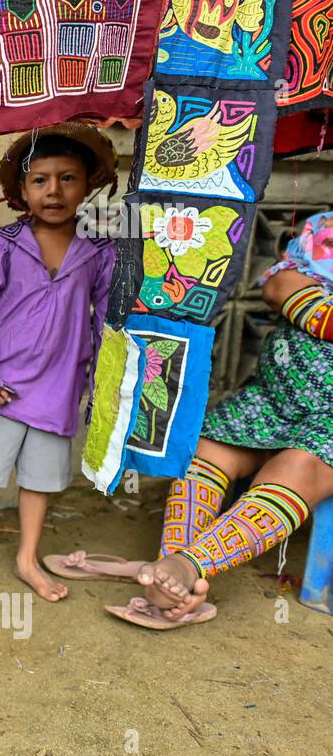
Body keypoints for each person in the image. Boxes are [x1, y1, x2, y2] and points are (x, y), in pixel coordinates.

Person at [108, 210, 333, 627]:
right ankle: (169, 575)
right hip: (274, 400)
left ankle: (187, 568)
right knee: (207, 449)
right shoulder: (327, 229)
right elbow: (277, 285)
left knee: (296, 470)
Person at [0, 123, 118, 602]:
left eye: (67, 179)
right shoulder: (4, 244)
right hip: (1, 379)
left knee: (40, 475)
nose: (53, 191)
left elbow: (105, 324)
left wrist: (100, 384)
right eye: (40, 180)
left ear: (87, 185)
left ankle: (26, 557)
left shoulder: (100, 251)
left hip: (58, 383)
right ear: (22, 189)